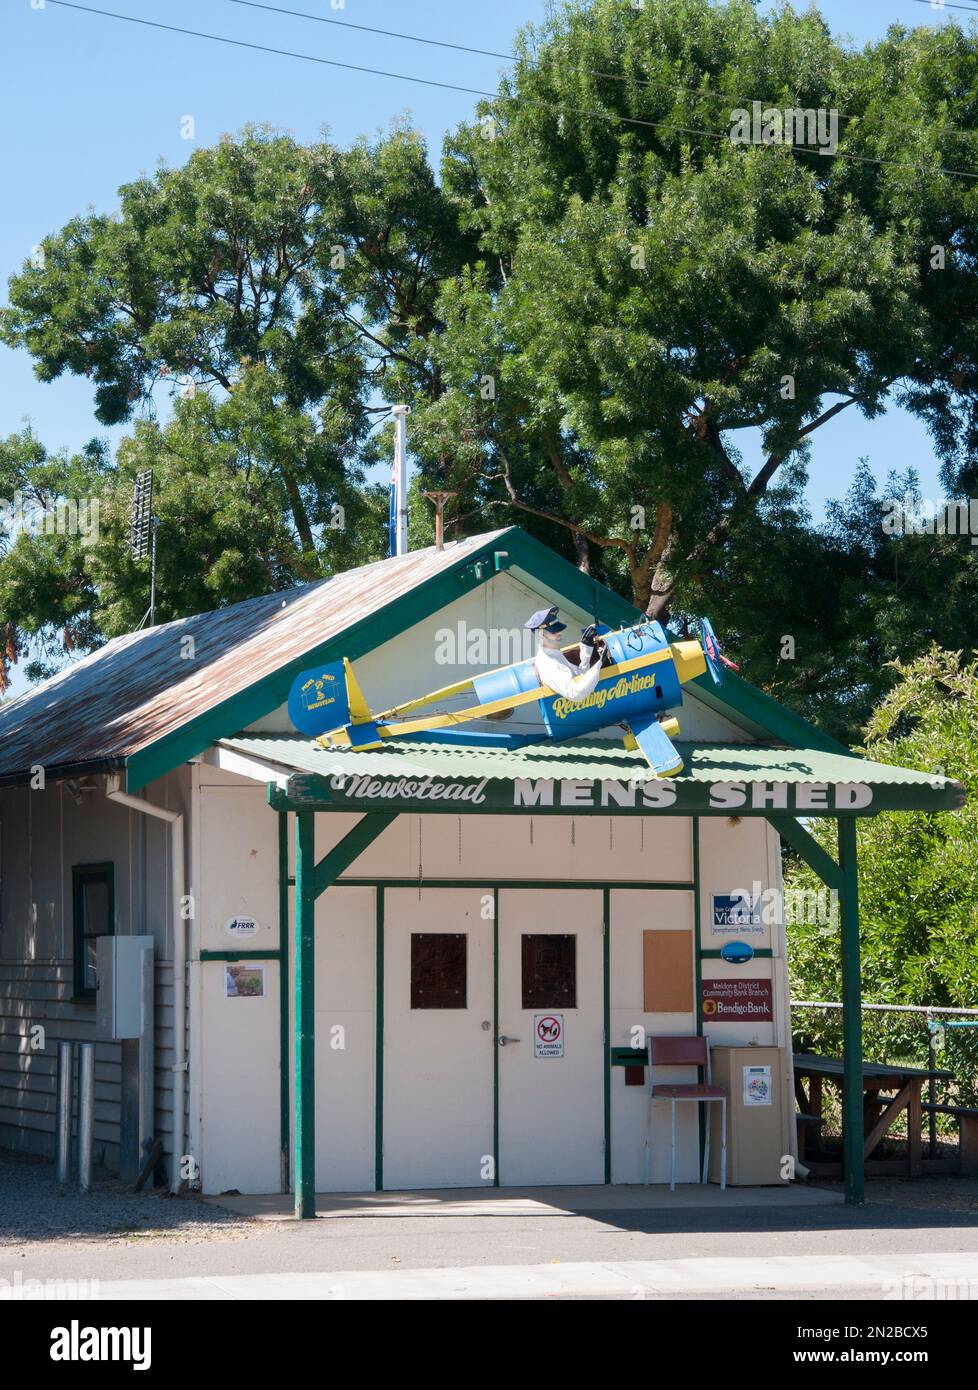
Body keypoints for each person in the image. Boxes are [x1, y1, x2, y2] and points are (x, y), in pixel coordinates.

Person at [525, 606, 606, 702]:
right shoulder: (547, 663)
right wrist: (599, 664)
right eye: (554, 631)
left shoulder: (554, 654)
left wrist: (586, 646)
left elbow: (579, 676)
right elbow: (575, 694)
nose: (559, 633)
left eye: (558, 629)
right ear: (541, 634)